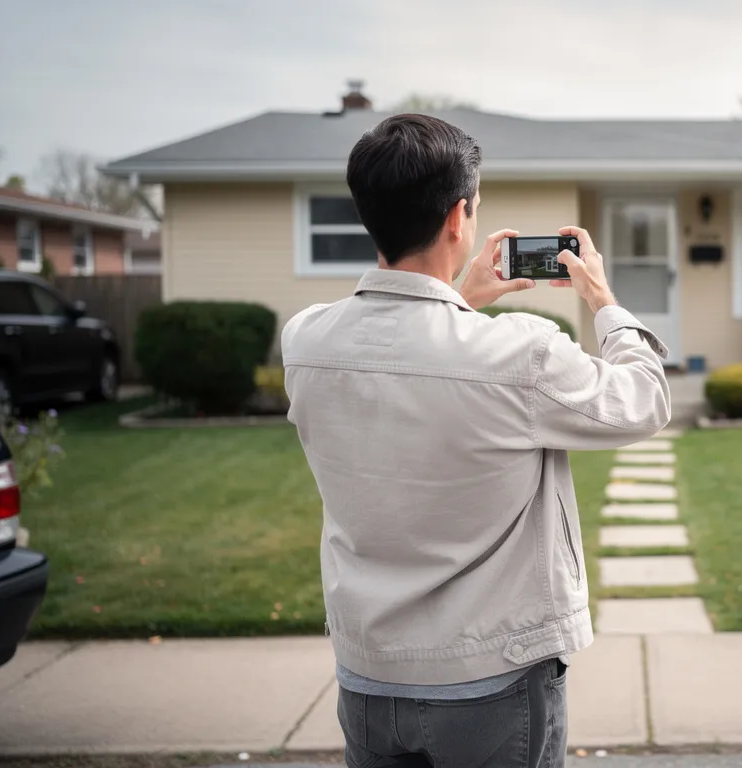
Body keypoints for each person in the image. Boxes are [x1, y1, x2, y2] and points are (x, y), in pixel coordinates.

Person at [280, 114, 671, 767]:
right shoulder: (520, 353)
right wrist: (602, 298)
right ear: (459, 217)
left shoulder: (307, 341)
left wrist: (460, 298)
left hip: (368, 680)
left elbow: (413, 353)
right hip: (492, 684)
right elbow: (644, 402)